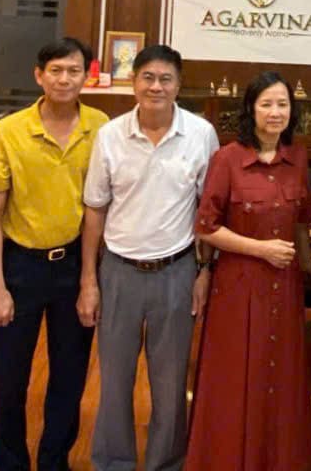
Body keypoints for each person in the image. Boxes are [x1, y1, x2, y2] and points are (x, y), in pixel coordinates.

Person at [78, 43, 219, 471]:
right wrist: (89, 280)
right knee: (114, 380)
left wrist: (204, 271)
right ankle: (113, 462)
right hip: (118, 271)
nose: (156, 87)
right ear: (134, 81)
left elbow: (208, 212)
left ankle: (166, 463)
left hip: (176, 271)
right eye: (148, 78)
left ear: (179, 85)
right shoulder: (110, 135)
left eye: (166, 79)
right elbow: (95, 208)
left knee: (170, 382)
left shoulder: (201, 134)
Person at [0, 36, 109, 471]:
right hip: (20, 266)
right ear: (39, 75)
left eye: (74, 71)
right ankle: (9, 462)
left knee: (70, 375)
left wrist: (89, 281)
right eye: (56, 70)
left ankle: (55, 460)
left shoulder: (101, 127)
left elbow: (98, 208)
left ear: (86, 76)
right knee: (9, 376)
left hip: (74, 264)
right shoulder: (9, 130)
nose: (64, 79)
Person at [185, 70, 311, 471]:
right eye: (266, 104)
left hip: (286, 284)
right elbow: (206, 227)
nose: (275, 112)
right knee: (235, 377)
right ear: (251, 109)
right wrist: (260, 250)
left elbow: (302, 222)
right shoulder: (227, 159)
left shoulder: (298, 158)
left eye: (283, 104)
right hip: (239, 285)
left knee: (283, 378)